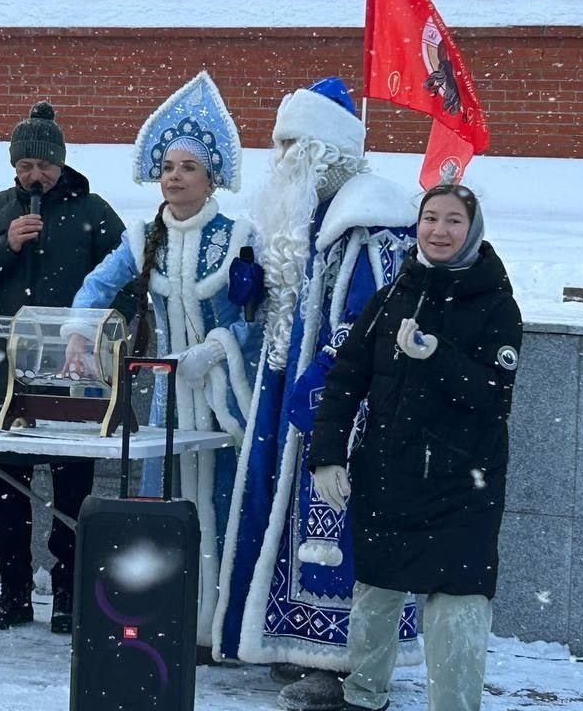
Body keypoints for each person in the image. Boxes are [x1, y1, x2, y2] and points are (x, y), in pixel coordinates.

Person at [213, 78, 421, 709]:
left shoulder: (369, 222)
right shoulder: (310, 216)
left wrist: (330, 371)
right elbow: (290, 307)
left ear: (324, 151)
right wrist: (253, 287)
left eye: (291, 146)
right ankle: (294, 644)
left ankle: (339, 662)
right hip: (292, 396)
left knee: (332, 528)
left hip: (344, 402)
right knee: (285, 521)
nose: (281, 161)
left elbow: (376, 315)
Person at [63, 72, 262, 655]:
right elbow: (96, 288)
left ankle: (220, 628)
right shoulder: (140, 236)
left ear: (211, 178)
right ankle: (169, 619)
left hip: (226, 399)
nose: (174, 177)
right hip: (167, 398)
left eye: (188, 169)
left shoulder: (240, 237)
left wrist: (218, 349)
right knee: (164, 504)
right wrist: (79, 333)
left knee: (222, 507)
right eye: (169, 167)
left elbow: (265, 321)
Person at [308, 184, 521, 711]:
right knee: (375, 597)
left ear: (472, 231)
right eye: (430, 218)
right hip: (388, 474)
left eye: (454, 221)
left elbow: (494, 396)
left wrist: (437, 357)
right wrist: (327, 455)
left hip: (463, 487)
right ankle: (362, 698)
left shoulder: (496, 304)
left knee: (458, 606)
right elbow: (343, 384)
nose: (439, 230)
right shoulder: (390, 298)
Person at [0, 101, 133, 634]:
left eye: (45, 166)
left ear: (61, 163)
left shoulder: (94, 212)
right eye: (26, 166)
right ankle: (12, 592)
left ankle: (69, 595)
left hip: (75, 376)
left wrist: (103, 340)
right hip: (4, 377)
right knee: (8, 491)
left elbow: (129, 283)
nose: (36, 175)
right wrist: (3, 245)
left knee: (73, 492)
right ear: (13, 165)